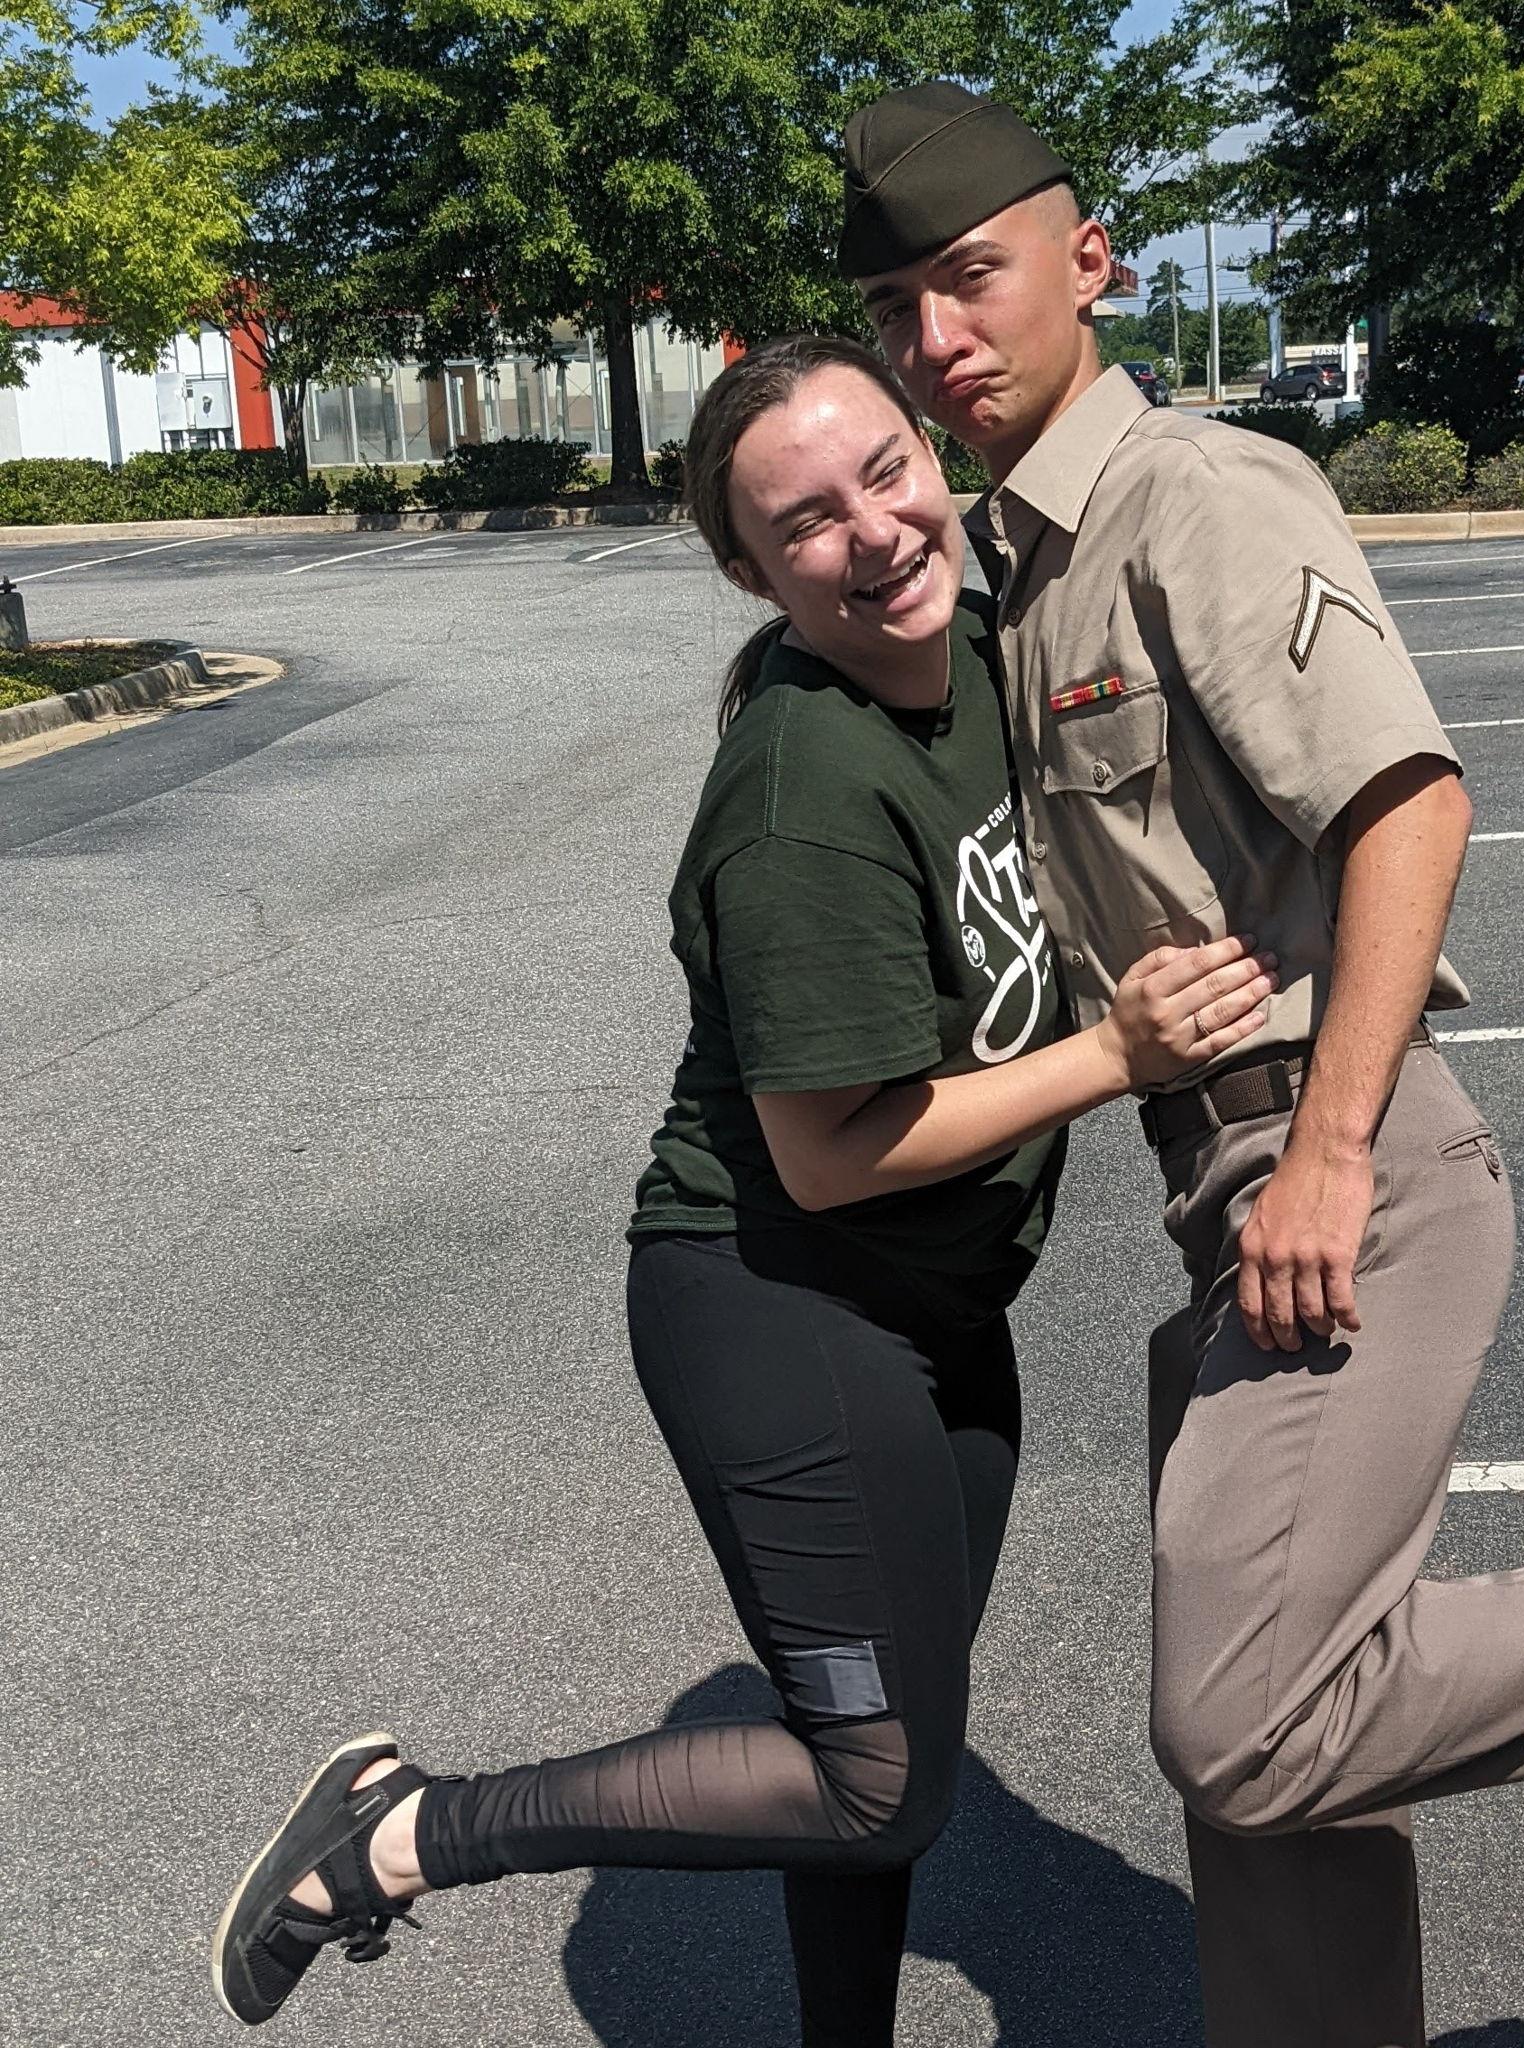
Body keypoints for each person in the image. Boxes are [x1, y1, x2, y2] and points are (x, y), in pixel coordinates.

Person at [842, 84, 1524, 2047]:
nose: (935, 338)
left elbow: (1408, 802)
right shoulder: (1027, 556)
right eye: (896, 307)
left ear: (1088, 263)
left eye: (966, 280)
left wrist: (1322, 1155)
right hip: (1230, 1196)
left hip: (1346, 1174)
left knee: (1241, 1721)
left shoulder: (1192, 502)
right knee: (1288, 1786)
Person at [210, 334, 1279, 2043]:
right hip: (777, 1298)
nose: (872, 530)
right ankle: (399, 1831)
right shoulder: (801, 796)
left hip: (938, 1309)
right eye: (805, 522)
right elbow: (825, 1151)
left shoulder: (989, 641)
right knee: (873, 1782)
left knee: (880, 1751)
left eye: (887, 472)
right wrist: (1122, 1056)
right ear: (749, 570)